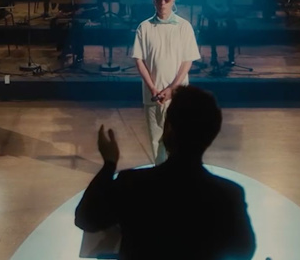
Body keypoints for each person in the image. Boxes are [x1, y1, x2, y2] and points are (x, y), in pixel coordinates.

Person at [74, 85, 256, 260]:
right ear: (212, 134)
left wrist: (109, 164)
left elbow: (86, 218)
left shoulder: (132, 184)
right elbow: (244, 251)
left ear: (168, 129)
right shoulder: (228, 195)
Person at [132, 0, 200, 165]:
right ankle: (160, 175)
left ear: (173, 1)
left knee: (179, 139)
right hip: (153, 95)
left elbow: (187, 60)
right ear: (153, 1)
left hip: (178, 96)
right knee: (156, 141)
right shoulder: (144, 27)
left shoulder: (184, 27)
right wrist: (153, 88)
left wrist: (172, 88)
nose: (163, 3)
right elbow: (139, 60)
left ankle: (178, 176)